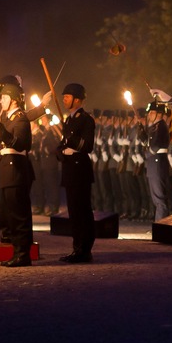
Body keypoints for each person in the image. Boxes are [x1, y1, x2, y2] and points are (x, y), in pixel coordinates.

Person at [0, 83, 34, 267]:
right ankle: (17, 252)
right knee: (9, 215)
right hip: (8, 171)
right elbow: (1, 144)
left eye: (4, 97)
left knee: (19, 215)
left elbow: (19, 143)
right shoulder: (8, 119)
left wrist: (2, 131)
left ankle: (23, 254)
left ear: (13, 99)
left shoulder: (21, 119)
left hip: (17, 170)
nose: (1, 100)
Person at [57, 83, 96, 263]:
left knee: (82, 210)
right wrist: (60, 151)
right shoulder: (68, 120)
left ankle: (84, 249)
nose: (64, 99)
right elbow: (62, 144)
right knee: (73, 211)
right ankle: (76, 247)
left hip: (80, 169)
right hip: (70, 169)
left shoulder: (86, 119)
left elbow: (87, 146)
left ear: (77, 99)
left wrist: (70, 139)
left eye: (67, 96)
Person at [143, 100, 172, 220]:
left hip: (157, 162)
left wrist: (148, 151)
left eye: (152, 112)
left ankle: (161, 225)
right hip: (153, 163)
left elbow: (156, 146)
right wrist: (144, 138)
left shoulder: (161, 126)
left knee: (160, 198)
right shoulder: (154, 127)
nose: (149, 115)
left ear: (159, 114)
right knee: (156, 198)